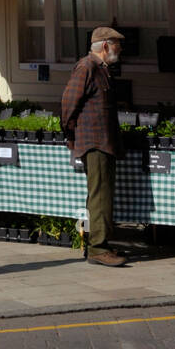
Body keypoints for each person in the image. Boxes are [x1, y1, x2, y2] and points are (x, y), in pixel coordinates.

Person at [61, 26, 126, 267]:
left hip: (104, 142)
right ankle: (98, 248)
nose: (120, 50)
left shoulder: (102, 69)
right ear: (106, 46)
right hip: (95, 142)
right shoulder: (87, 67)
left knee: (103, 194)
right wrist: (70, 132)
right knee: (100, 195)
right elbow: (68, 103)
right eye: (117, 45)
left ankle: (102, 244)